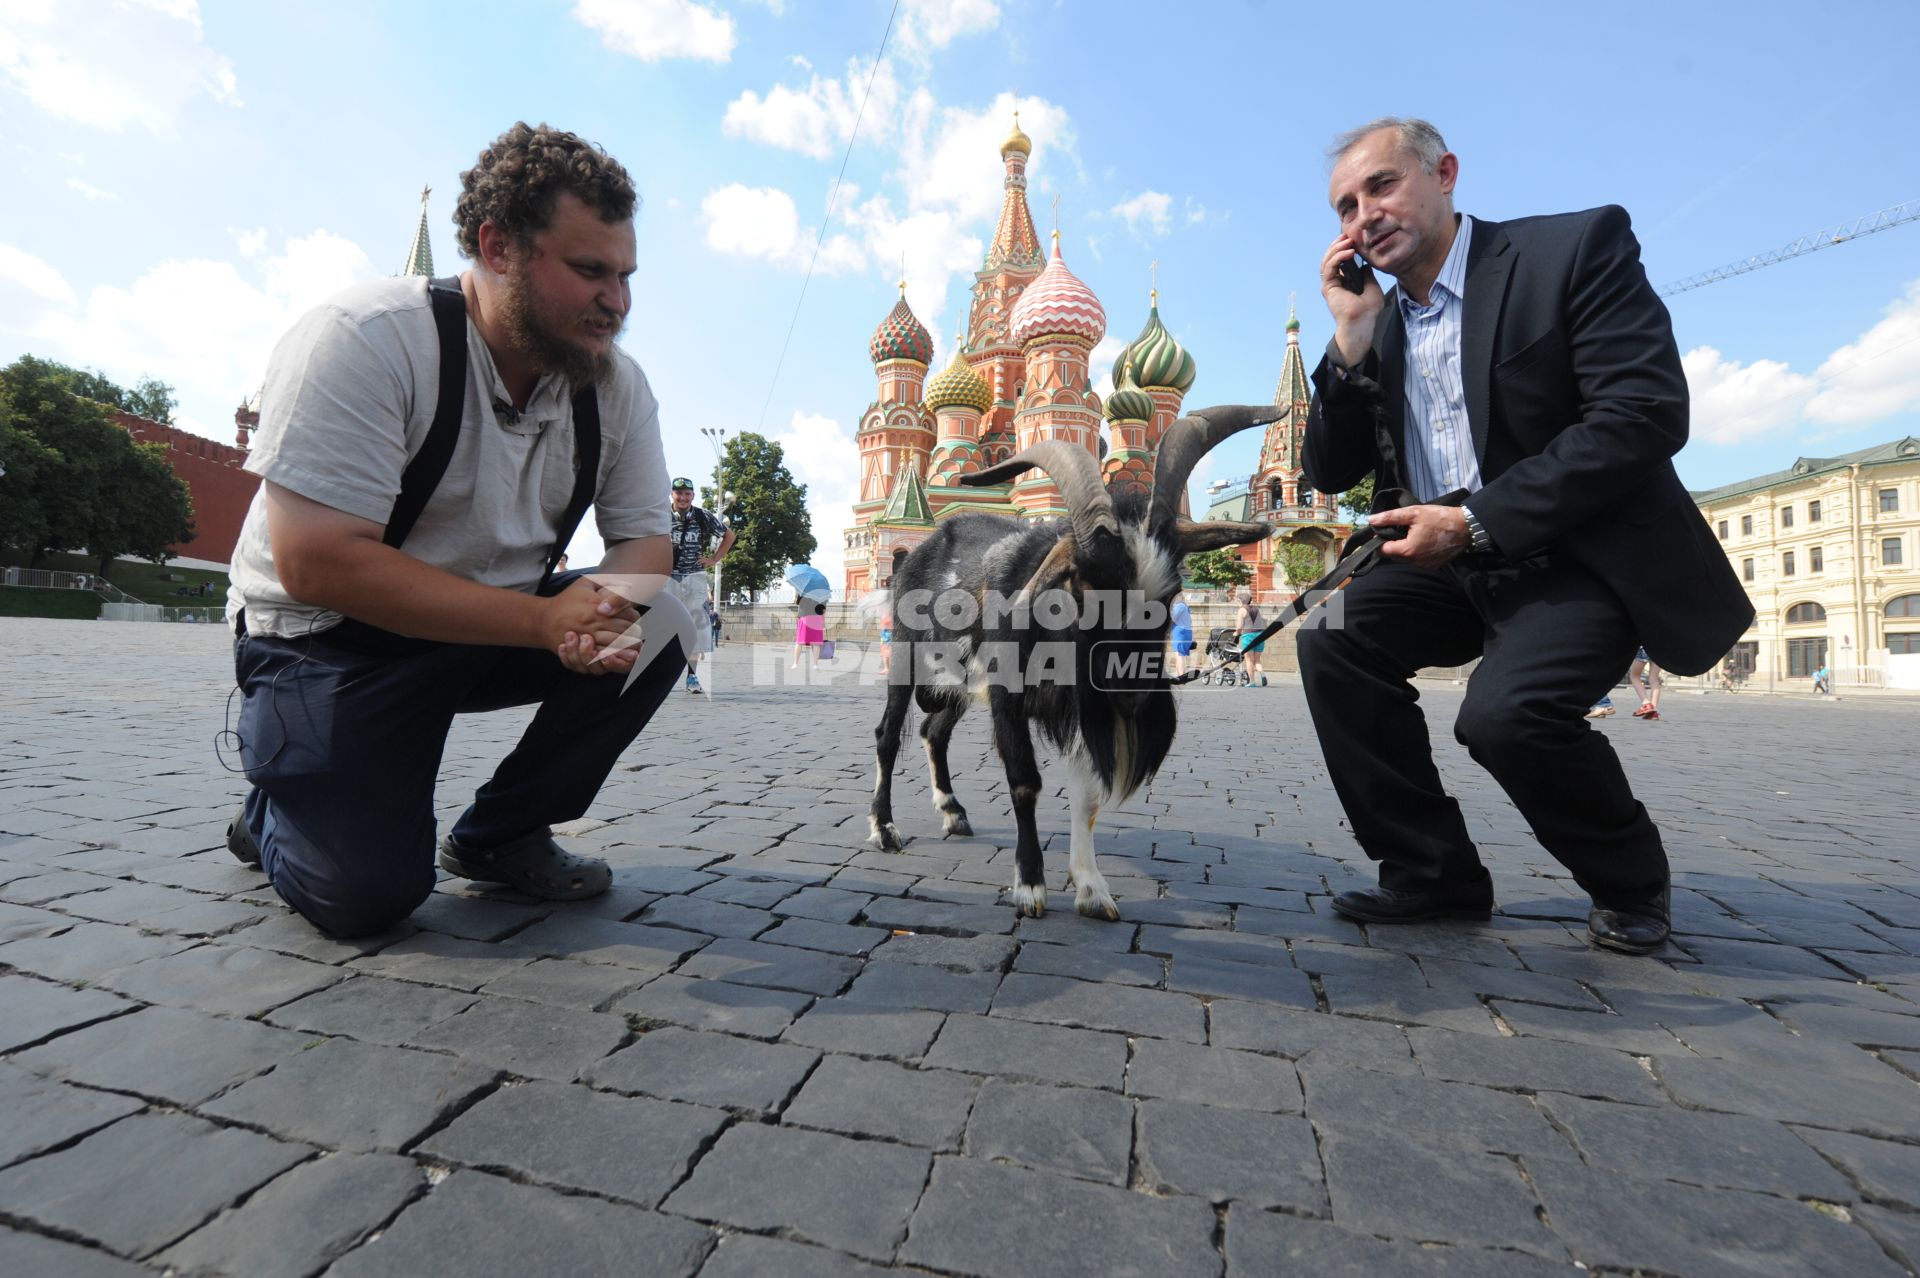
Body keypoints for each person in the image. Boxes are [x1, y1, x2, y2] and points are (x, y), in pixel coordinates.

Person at [1296, 118, 1751, 956]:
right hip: (1447, 560)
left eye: (1382, 186)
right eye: (1345, 206)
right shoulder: (1380, 322)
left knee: (1505, 718)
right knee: (1331, 638)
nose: (1363, 217)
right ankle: (1432, 874)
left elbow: (1643, 414)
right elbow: (1329, 472)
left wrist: (1476, 522)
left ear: (1446, 174)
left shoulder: (1571, 251)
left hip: (1575, 552)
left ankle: (1628, 878)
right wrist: (1351, 339)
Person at [221, 122, 681, 938]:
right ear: (498, 246)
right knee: (366, 899)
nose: (618, 301)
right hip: (329, 640)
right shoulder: (367, 339)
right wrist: (544, 622)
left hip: (485, 627)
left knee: (669, 614)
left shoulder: (614, 386)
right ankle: (276, 808)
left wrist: (601, 616)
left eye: (625, 274)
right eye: (589, 271)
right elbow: (315, 561)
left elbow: (646, 542)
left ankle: (501, 836)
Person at [666, 477, 734, 693]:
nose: (683, 497)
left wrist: (714, 559)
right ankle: (659, 677)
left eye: (687, 493)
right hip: (668, 576)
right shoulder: (661, 515)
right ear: (672, 494)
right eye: (679, 493)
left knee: (696, 627)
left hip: (694, 576)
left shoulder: (702, 515)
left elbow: (729, 535)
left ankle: (692, 677)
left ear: (692, 496)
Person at [1236, 588, 1268, 687]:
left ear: (1242, 601)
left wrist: (1236, 633)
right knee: (1257, 660)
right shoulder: (1256, 608)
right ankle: (1262, 674)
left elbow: (1239, 626)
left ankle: (1252, 682)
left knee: (1249, 660)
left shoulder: (1242, 610)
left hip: (1248, 636)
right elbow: (1263, 621)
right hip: (1260, 635)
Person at [1628, 646, 1663, 719]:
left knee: (1634, 676)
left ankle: (1646, 704)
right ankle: (1653, 711)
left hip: (1644, 647)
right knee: (1654, 678)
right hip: (1660, 648)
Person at [1168, 595, 1194, 679]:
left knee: (1180, 655)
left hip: (1180, 633)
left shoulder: (1179, 606)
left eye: (1175, 597)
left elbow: (1172, 618)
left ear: (1180, 598)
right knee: (1180, 655)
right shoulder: (1185, 607)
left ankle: (1181, 676)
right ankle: (1179, 674)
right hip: (1185, 632)